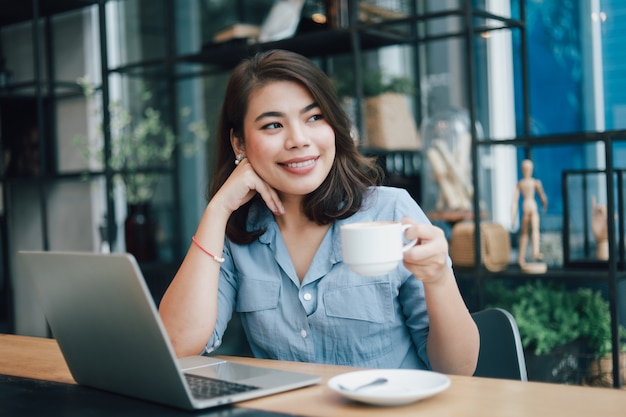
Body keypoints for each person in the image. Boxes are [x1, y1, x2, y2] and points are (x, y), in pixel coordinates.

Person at [159, 50, 479, 375]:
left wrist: (439, 279)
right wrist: (218, 209)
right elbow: (177, 347)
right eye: (273, 125)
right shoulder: (233, 232)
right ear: (239, 143)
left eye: (314, 118)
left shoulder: (392, 211)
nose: (299, 140)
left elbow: (457, 370)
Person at [511, 159, 548, 267]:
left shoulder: (530, 183)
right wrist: (513, 217)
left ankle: (533, 252)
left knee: (531, 231)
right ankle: (523, 256)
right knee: (526, 232)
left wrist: (544, 203)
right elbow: (514, 202)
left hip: (528, 206)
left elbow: (542, 196)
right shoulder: (523, 184)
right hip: (529, 206)